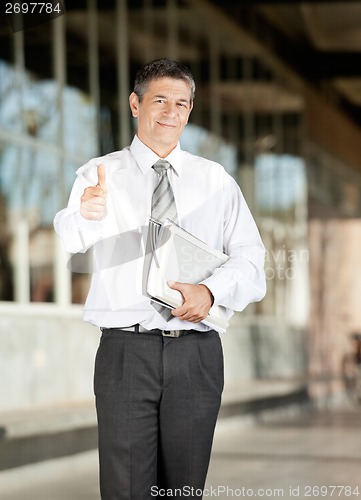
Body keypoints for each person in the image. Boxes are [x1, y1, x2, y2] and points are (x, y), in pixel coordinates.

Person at [54, 58, 266, 499]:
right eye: (160, 100)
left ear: (190, 111)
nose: (171, 112)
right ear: (135, 104)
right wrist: (86, 214)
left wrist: (211, 291)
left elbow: (251, 261)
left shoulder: (216, 181)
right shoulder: (100, 173)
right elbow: (71, 238)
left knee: (183, 489)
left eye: (182, 103)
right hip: (125, 354)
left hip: (196, 353)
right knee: (125, 488)